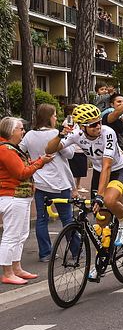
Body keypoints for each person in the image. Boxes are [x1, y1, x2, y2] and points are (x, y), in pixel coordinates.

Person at [47, 104, 123, 281]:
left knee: (108, 200)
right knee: (101, 224)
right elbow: (49, 150)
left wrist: (100, 197)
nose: (98, 126)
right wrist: (61, 134)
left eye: (99, 122)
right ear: (82, 126)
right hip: (99, 173)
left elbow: (107, 165)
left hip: (118, 170)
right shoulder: (77, 134)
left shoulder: (108, 132)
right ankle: (100, 262)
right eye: (93, 125)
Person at [0, 117, 54, 285]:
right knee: (11, 235)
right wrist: (40, 162)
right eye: (20, 129)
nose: (22, 131)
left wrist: (37, 162)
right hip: (13, 197)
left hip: (19, 197)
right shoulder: (6, 150)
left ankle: (16, 268)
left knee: (21, 234)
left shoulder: (10, 148)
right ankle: (8, 272)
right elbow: (21, 173)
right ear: (10, 131)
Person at [20, 104, 76, 263]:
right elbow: (70, 154)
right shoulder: (56, 134)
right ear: (49, 117)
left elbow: (20, 150)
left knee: (41, 219)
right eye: (55, 115)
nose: (56, 118)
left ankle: (45, 253)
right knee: (67, 218)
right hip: (59, 183)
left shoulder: (29, 134)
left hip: (39, 183)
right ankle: (76, 250)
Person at [64, 103, 88, 193]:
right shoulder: (69, 120)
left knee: (81, 169)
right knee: (74, 169)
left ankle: (78, 185)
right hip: (74, 148)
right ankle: (74, 186)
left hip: (80, 148)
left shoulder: (79, 120)